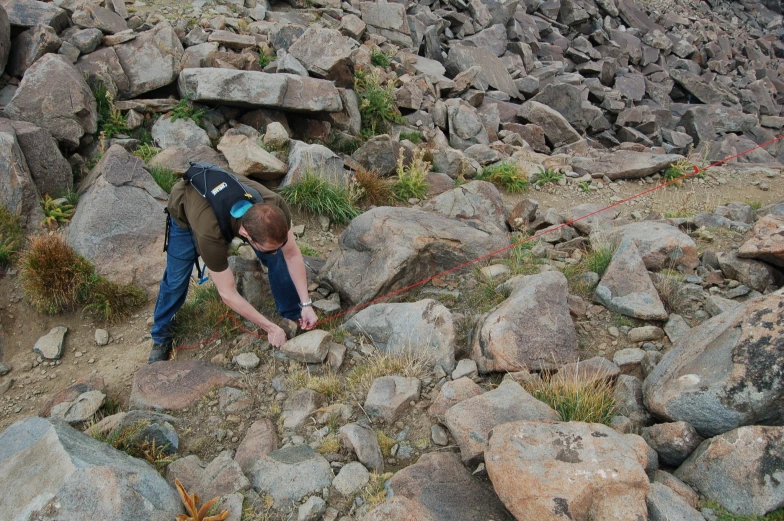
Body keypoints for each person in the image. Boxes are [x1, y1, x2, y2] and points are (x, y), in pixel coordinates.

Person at [148, 164, 318, 363]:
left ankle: (293, 313)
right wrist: (270, 328)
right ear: (246, 235)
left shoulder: (275, 206)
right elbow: (227, 294)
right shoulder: (210, 233)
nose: (275, 250)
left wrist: (306, 304)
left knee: (277, 257)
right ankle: (160, 337)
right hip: (185, 212)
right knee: (175, 281)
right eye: (268, 247)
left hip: (230, 205)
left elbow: (292, 255)